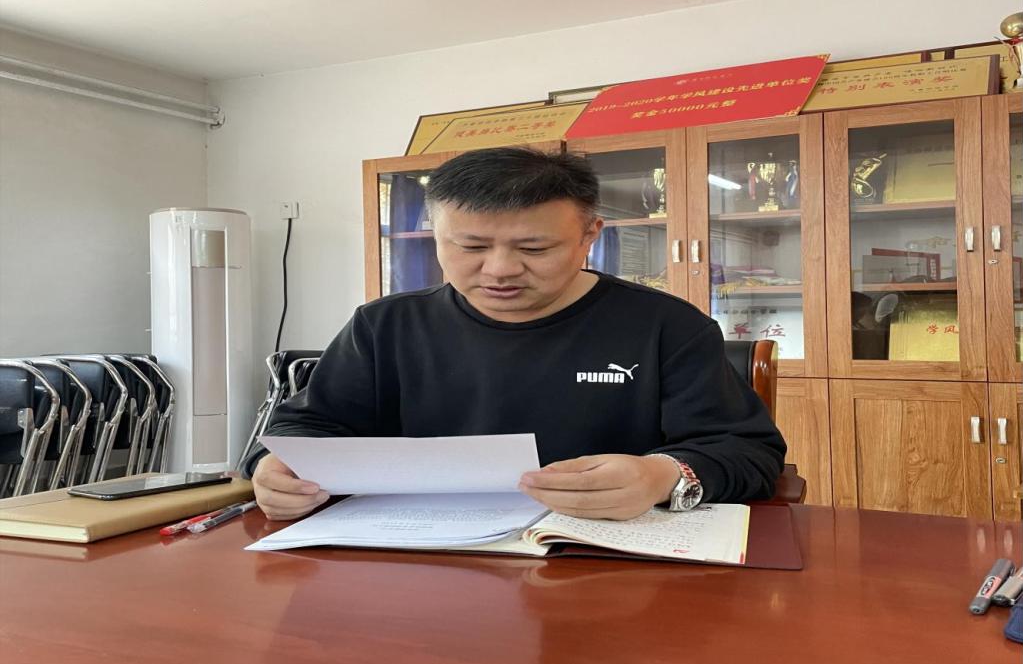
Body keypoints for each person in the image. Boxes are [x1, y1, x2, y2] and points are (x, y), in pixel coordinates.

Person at [246, 147, 786, 520]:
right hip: (423, 564)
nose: (500, 269)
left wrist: (661, 475)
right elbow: (305, 428)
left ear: (589, 236)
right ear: (435, 235)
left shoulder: (667, 326)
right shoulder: (384, 326)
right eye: (471, 246)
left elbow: (747, 451)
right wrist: (276, 470)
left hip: (600, 561)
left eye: (534, 248)